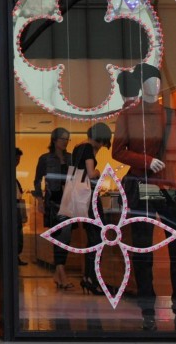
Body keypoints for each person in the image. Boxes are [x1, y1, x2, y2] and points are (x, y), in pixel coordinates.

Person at [112, 63, 176, 332]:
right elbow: (118, 151)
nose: (155, 84)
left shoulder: (173, 116)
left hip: (170, 188)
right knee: (142, 248)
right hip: (144, 186)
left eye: (157, 80)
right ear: (141, 84)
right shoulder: (128, 115)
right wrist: (146, 161)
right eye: (149, 80)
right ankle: (147, 306)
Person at [71, 122, 112, 295]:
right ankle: (93, 280)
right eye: (103, 143)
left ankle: (88, 278)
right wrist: (100, 171)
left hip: (80, 197)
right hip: (89, 198)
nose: (102, 147)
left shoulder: (78, 147)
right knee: (98, 239)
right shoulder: (88, 148)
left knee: (93, 238)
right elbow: (90, 173)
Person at [33, 127, 71, 289]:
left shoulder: (71, 158)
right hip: (53, 202)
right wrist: (40, 200)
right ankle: (62, 272)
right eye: (63, 138)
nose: (65, 142)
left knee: (66, 237)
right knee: (58, 236)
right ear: (54, 140)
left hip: (68, 201)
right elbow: (37, 181)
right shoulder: (45, 159)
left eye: (67, 139)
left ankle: (58, 273)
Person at [14, 147, 27, 266]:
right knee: (16, 232)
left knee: (18, 231)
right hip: (14, 206)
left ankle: (16, 256)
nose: (18, 161)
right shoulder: (8, 175)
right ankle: (14, 256)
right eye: (17, 159)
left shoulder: (12, 175)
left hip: (17, 205)